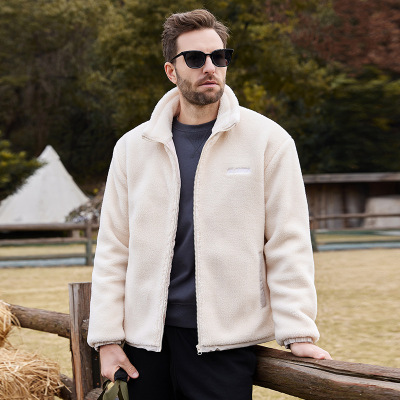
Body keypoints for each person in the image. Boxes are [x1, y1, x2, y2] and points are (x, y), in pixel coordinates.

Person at [88, 9, 332, 400]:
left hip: (224, 344)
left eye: (219, 57)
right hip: (144, 343)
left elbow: (288, 243)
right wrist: (107, 339)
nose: (210, 67)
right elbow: (114, 248)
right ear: (171, 71)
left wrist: (298, 332)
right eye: (195, 58)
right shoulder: (133, 148)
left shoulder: (269, 141)